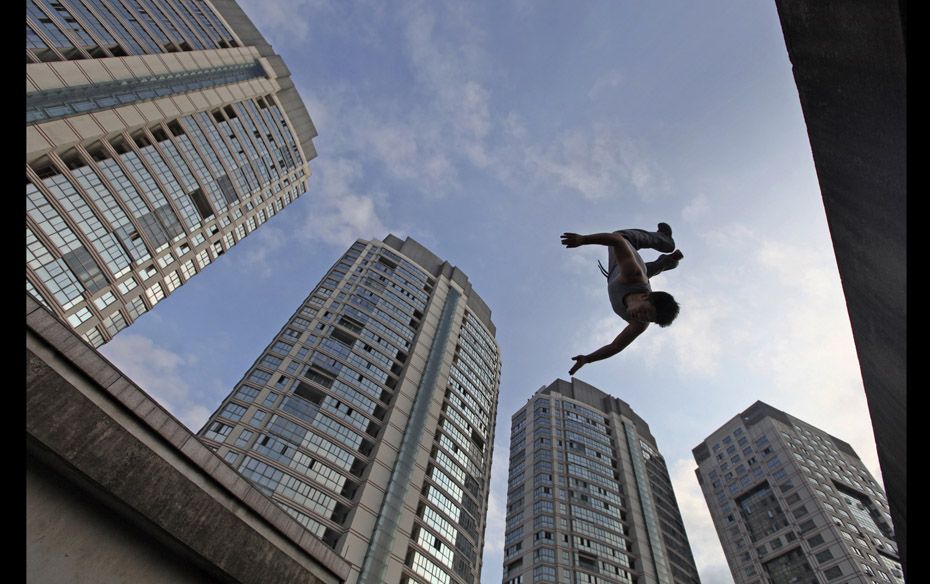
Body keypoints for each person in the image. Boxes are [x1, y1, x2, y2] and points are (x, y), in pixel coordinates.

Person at [561, 223, 682, 374]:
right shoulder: (632, 274)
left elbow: (616, 346)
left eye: (648, 319)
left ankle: (670, 261)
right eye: (645, 311)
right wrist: (583, 239)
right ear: (645, 296)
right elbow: (617, 240)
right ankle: (664, 240)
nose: (641, 317)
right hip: (627, 259)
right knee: (623, 236)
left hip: (619, 273)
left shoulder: (639, 324)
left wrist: (588, 359)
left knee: (646, 270)